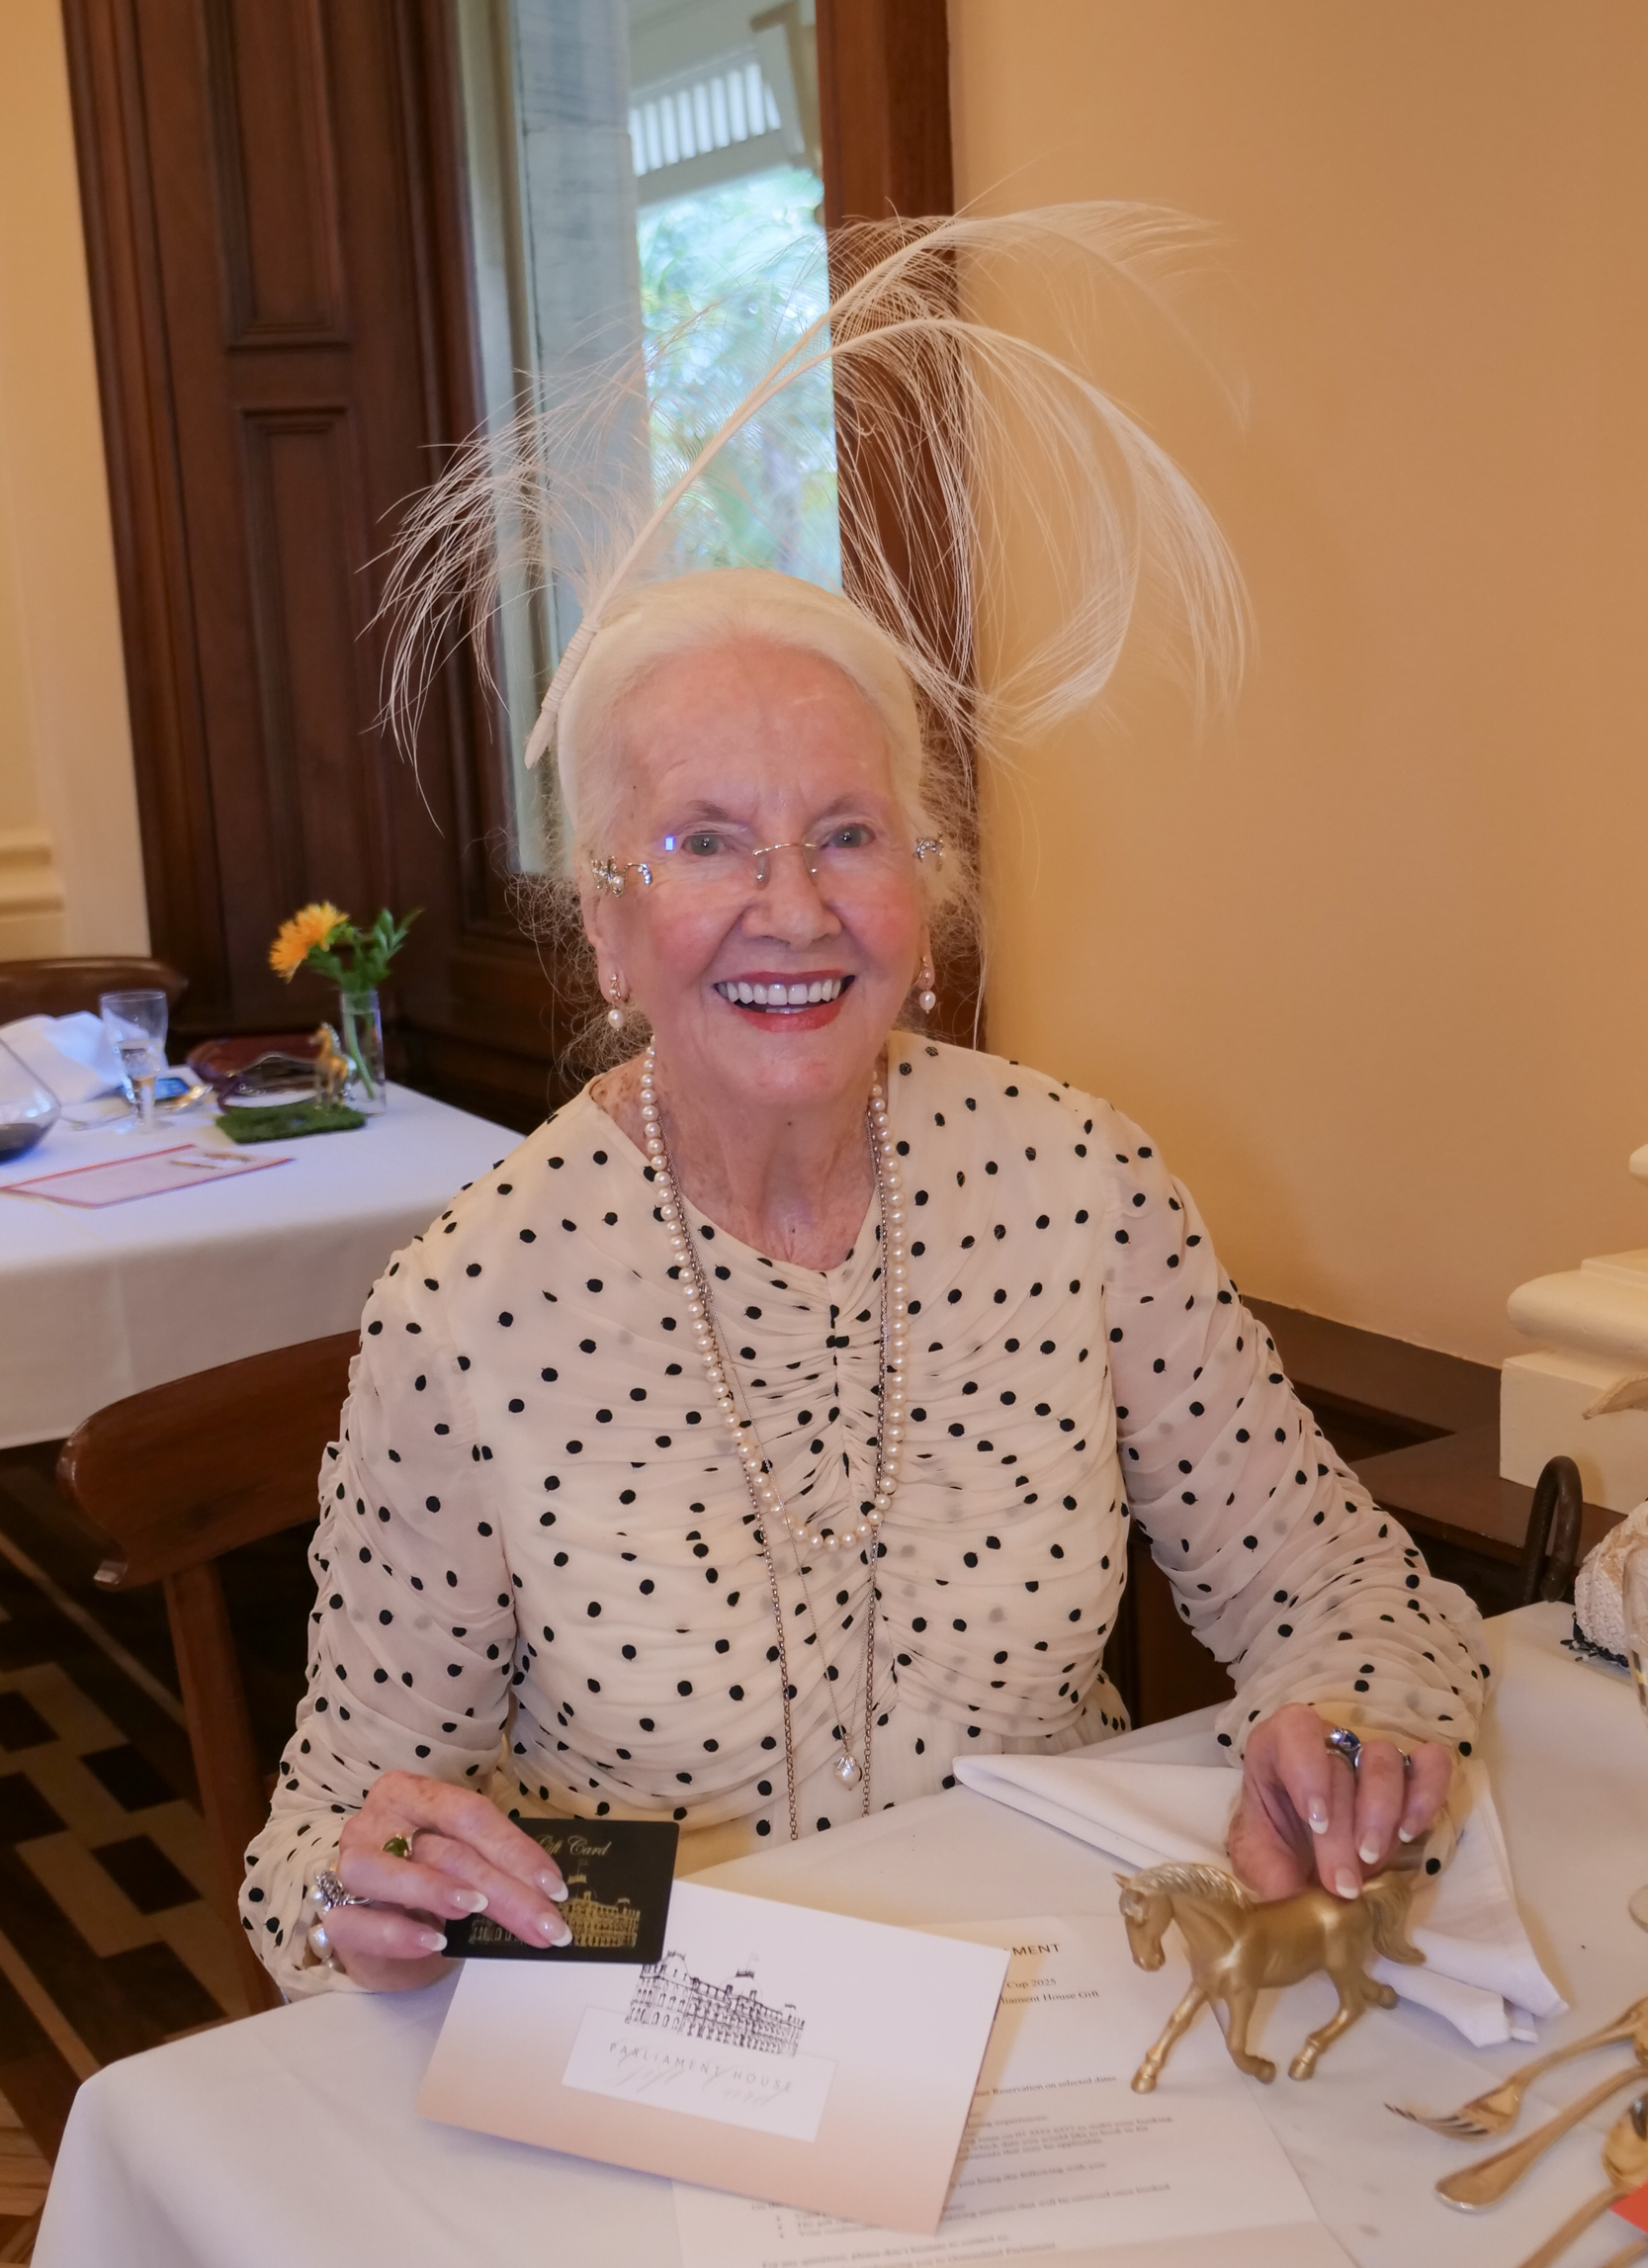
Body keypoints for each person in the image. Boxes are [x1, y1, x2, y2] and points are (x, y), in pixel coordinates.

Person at [240, 567, 1486, 1996]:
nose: (793, 909)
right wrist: (367, 1893)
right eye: (707, 842)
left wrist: (1345, 1725)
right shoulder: (467, 1307)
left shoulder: (1083, 1187)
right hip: (653, 2035)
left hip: (1065, 1995)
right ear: (603, 919)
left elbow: (1328, 1580)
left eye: (847, 835)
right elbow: (316, 1841)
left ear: (922, 889)